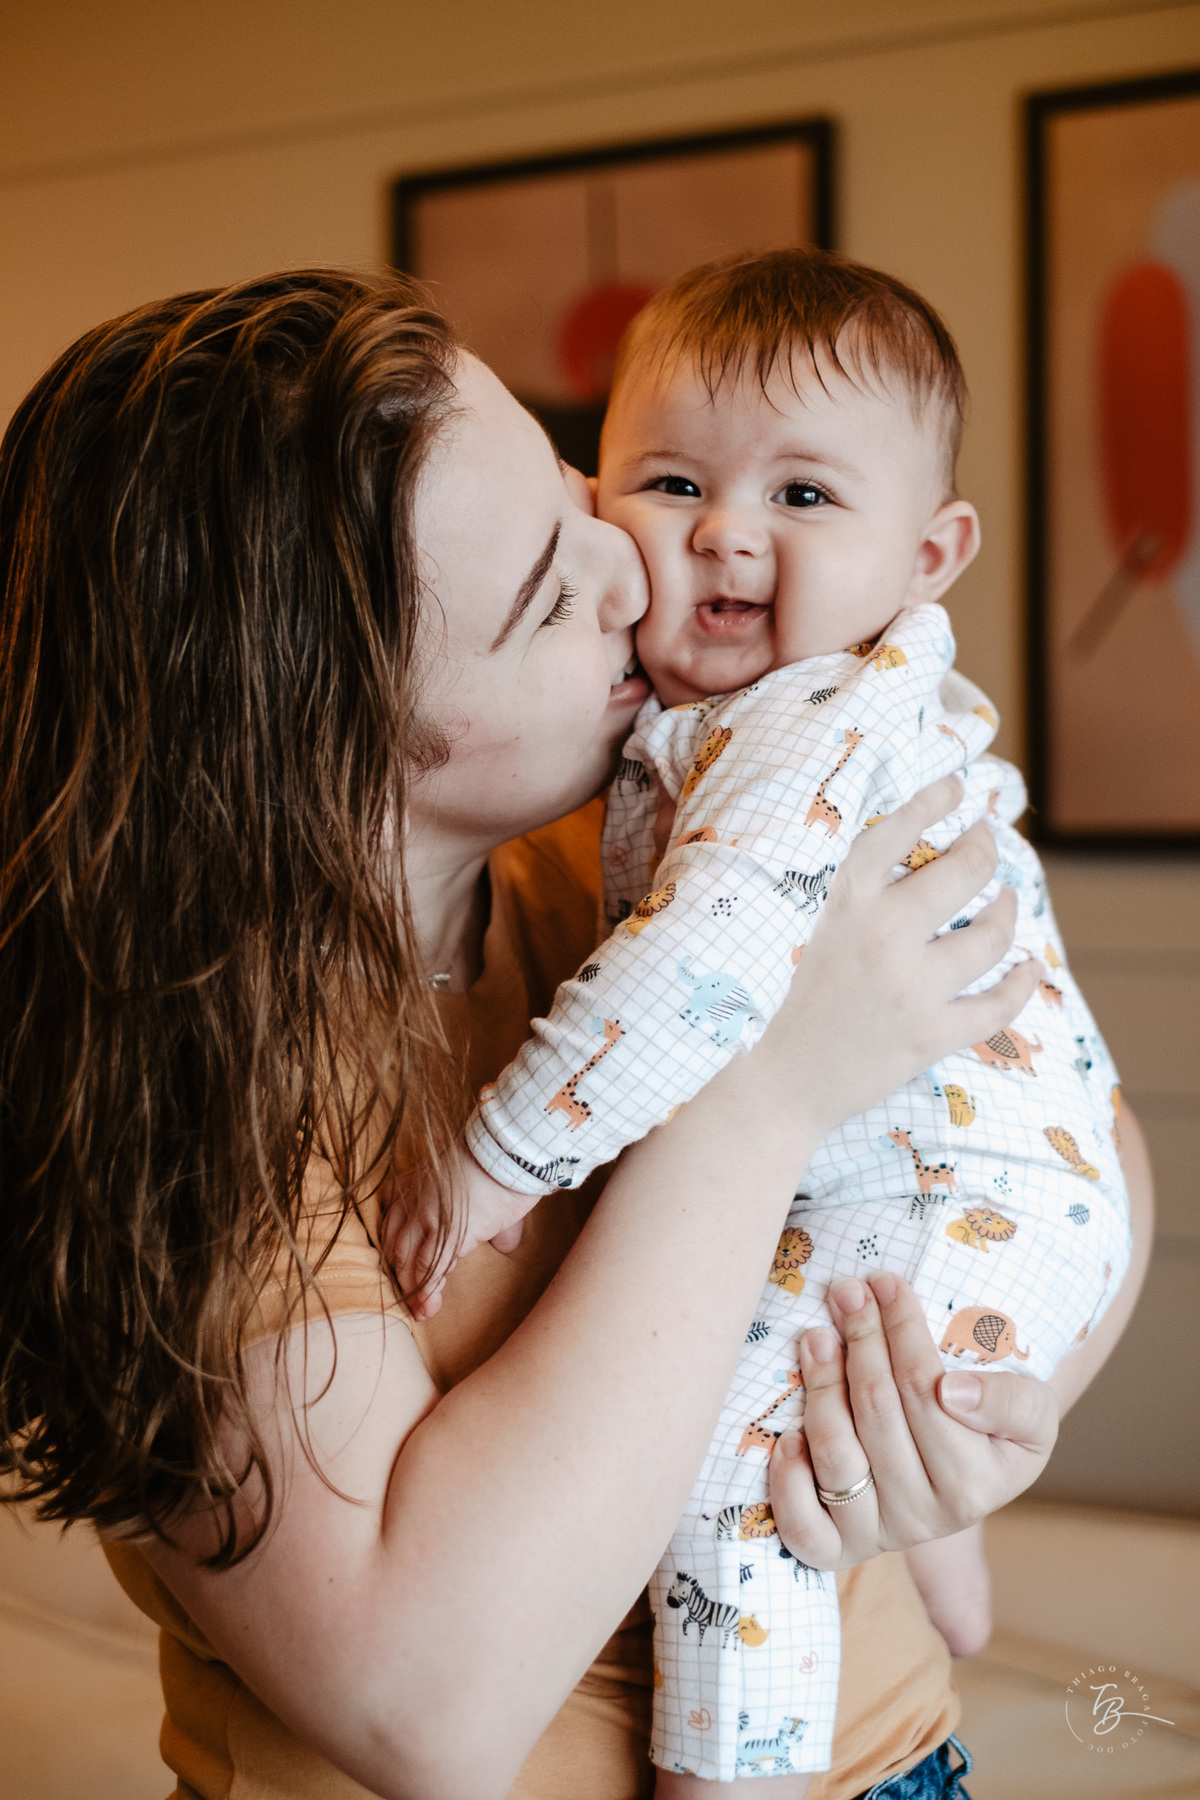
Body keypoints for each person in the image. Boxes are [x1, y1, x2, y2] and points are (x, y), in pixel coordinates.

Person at [0, 270, 1150, 1800]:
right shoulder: (198, 1100)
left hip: (895, 1756)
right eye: (549, 593)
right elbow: (428, 1711)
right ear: (317, 723)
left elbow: (1086, 1143)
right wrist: (764, 1096)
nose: (632, 562)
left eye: (571, 487)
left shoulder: (634, 842)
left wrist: (961, 1426)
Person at [391, 251, 1131, 1789]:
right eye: (673, 483)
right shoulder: (728, 724)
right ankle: (943, 1555)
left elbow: (699, 971)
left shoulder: (804, 727)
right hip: (944, 1181)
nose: (726, 531)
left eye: (803, 495)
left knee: (740, 1481)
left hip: (956, 1188)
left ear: (927, 555)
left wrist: (497, 1161)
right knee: (789, 1390)